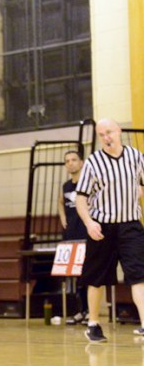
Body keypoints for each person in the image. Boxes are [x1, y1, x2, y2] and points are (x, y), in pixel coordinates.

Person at [75, 118, 144, 342]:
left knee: (139, 275)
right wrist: (89, 223)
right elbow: (80, 199)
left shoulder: (136, 157)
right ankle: (93, 324)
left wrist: (132, 197)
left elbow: (141, 184)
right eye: (102, 134)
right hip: (102, 227)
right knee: (97, 278)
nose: (106, 137)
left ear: (119, 131)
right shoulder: (93, 162)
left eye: (110, 132)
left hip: (131, 224)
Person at [57, 150, 89, 325]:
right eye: (67, 161)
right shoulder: (66, 186)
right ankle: (80, 311)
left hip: (87, 235)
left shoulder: (88, 183)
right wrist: (63, 217)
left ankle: (89, 312)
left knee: (88, 273)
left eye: (74, 160)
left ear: (81, 162)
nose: (70, 163)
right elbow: (60, 202)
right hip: (71, 235)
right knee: (75, 275)